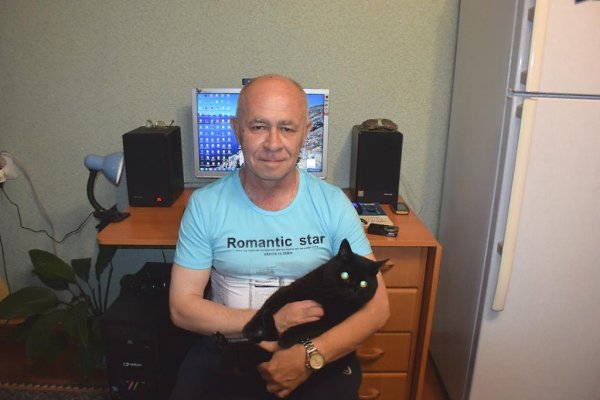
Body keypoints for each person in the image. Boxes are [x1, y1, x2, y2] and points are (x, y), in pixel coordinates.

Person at [169, 74, 390, 399]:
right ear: (236, 130)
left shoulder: (332, 204)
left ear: (306, 133)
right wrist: (271, 321)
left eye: (287, 128)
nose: (273, 144)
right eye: (258, 126)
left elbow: (379, 308)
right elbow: (182, 308)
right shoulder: (205, 205)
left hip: (314, 347)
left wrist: (310, 356)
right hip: (232, 347)